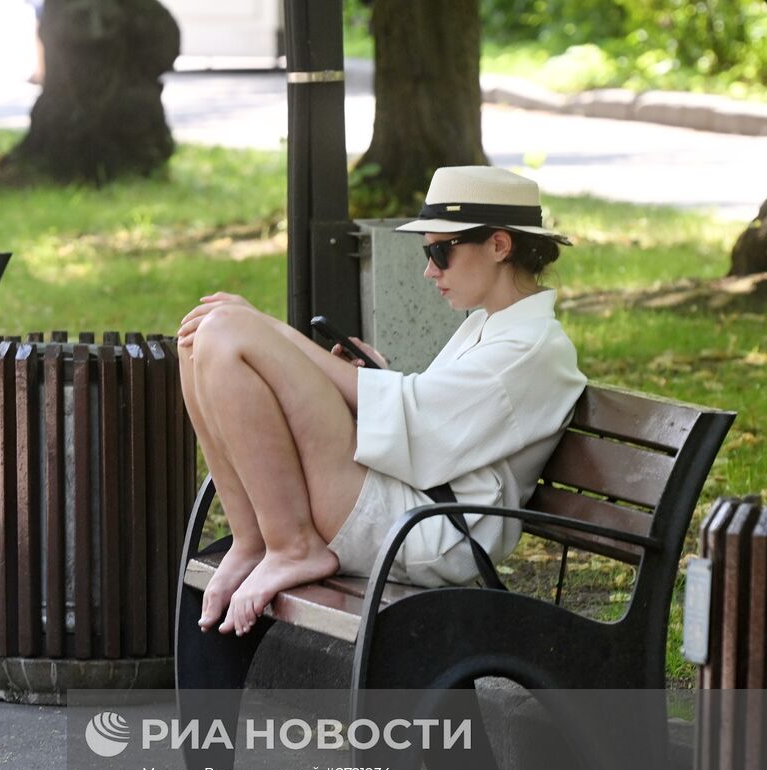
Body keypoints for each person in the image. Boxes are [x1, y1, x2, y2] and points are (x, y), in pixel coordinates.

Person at [176, 165, 586, 639]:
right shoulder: (495, 325)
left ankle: (291, 547)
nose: (429, 269)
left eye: (441, 251)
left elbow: (421, 427)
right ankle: (253, 541)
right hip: (411, 505)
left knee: (231, 328)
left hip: (432, 529)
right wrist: (376, 377)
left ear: (498, 245)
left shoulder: (533, 346)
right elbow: (439, 424)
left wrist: (275, 332)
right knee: (198, 341)